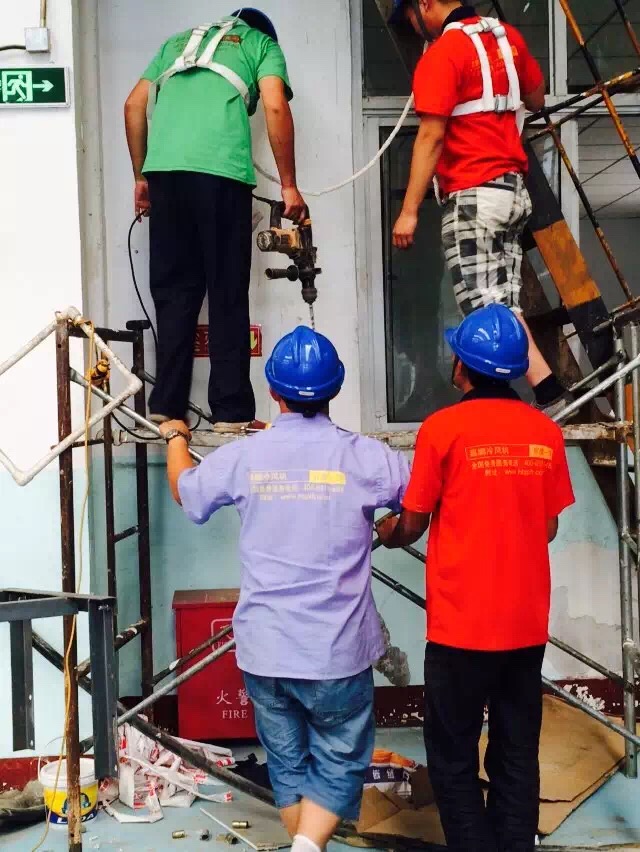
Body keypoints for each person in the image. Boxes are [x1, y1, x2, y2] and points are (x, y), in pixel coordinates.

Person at [158, 326, 411, 852]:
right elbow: (418, 501)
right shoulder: (367, 457)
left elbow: (187, 492)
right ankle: (307, 847)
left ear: (273, 392)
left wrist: (176, 438)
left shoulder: (246, 455)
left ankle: (303, 844)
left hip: (265, 649)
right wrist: (392, 530)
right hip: (336, 651)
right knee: (341, 757)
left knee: (288, 761)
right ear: (335, 388)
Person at [377, 304, 575, 852]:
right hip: (524, 625)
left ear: (461, 365)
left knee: (452, 753)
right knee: (517, 751)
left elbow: (413, 523)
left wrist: (389, 531)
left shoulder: (442, 429)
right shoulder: (544, 431)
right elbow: (549, 527)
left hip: (460, 628)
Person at [125, 9, 306, 430]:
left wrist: (141, 178)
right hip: (221, 176)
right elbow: (275, 105)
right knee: (226, 290)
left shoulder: (176, 43)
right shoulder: (261, 44)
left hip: (164, 176)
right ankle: (230, 411)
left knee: (173, 292)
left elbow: (133, 106)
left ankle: (167, 405)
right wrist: (289, 186)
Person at [389, 0, 570, 418]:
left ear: (425, 4)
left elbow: (431, 137)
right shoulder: (508, 39)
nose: (414, 28)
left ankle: (539, 392)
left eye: (412, 18)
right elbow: (536, 98)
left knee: (484, 308)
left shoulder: (442, 55)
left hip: (473, 195)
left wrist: (409, 210)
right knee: (504, 303)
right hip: (511, 191)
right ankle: (540, 391)